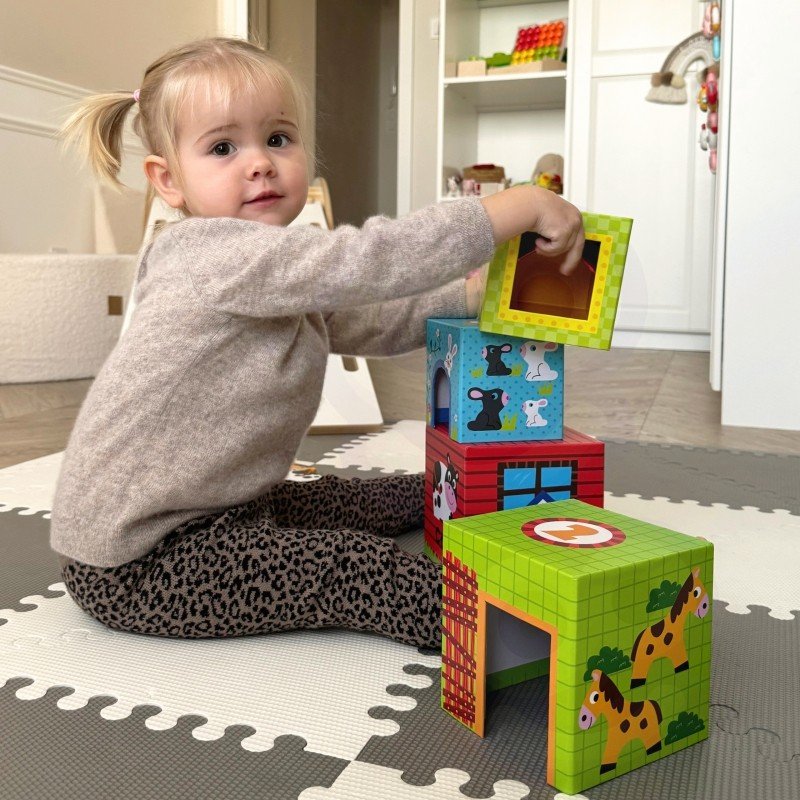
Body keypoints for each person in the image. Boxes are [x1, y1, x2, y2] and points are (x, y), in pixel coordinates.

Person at [51, 37, 584, 649]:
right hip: (142, 561)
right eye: (223, 148)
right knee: (351, 567)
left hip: (222, 507)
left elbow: (373, 322)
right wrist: (514, 207)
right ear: (168, 181)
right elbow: (373, 260)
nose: (260, 162)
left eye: (278, 138)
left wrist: (469, 297)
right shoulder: (210, 256)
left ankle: (456, 502)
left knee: (350, 500)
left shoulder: (269, 272)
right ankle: (506, 628)